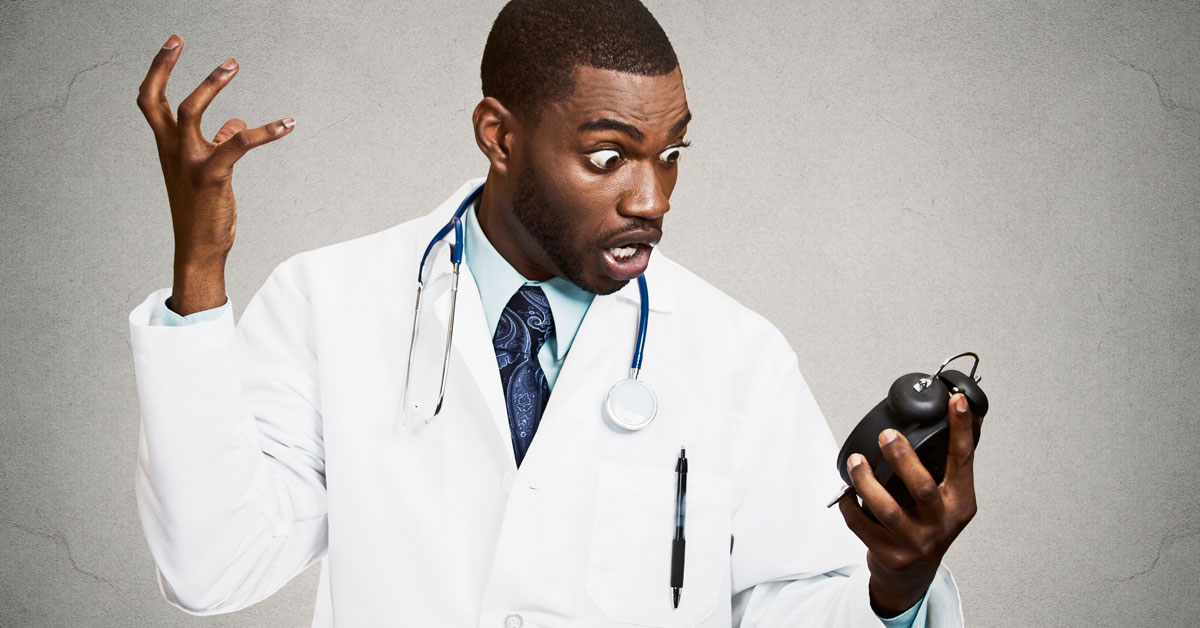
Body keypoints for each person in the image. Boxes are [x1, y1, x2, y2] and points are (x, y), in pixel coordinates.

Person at [130, 1, 978, 626]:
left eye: (670, 154)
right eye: (607, 156)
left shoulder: (736, 355)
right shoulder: (330, 301)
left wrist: (895, 590)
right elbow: (212, 567)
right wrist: (199, 268)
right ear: (499, 137)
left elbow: (793, 605)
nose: (652, 199)